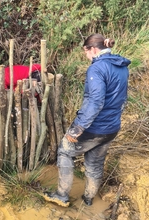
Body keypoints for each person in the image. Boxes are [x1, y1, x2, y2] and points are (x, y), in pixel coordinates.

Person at [43, 34, 131, 207]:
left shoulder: (97, 68)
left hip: (94, 127)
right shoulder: (121, 66)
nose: (86, 56)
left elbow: (95, 102)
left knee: (65, 151)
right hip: (112, 127)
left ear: (93, 49)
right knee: (95, 162)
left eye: (86, 52)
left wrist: (78, 128)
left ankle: (61, 195)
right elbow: (123, 98)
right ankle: (89, 199)